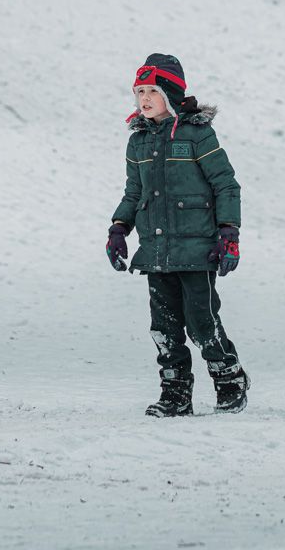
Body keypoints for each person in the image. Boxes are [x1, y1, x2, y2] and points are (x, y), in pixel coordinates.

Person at [105, 53, 250, 417]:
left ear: (169, 91)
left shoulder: (197, 134)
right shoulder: (138, 142)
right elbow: (133, 192)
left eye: (152, 90)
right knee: (164, 326)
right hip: (156, 251)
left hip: (197, 249)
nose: (144, 99)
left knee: (203, 323)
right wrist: (119, 228)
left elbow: (226, 184)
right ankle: (175, 392)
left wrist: (228, 232)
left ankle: (229, 380)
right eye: (139, 92)